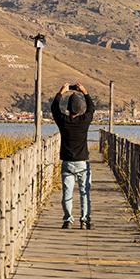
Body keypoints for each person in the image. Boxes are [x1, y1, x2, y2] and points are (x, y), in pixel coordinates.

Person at [51, 82, 94, 229]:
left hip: (68, 162)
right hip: (83, 162)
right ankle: (84, 220)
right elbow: (92, 109)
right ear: (81, 109)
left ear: (68, 109)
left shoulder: (63, 121)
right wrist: (85, 92)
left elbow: (54, 110)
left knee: (67, 192)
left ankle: (68, 220)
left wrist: (60, 93)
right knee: (84, 193)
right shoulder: (84, 121)